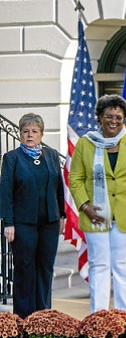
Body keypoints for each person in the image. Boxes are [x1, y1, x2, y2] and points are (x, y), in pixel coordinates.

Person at [69, 94, 126, 313]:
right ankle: (98, 317)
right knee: (99, 265)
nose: (113, 121)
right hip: (94, 213)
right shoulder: (85, 143)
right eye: (108, 116)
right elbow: (75, 178)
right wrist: (85, 206)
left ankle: (124, 318)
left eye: (118, 117)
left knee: (124, 267)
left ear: (124, 118)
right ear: (99, 117)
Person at [0, 114, 65, 318]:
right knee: (25, 269)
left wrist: (61, 215)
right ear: (20, 134)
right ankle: (24, 318)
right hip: (22, 224)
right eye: (25, 131)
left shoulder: (52, 155)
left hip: (50, 222)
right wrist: (8, 222)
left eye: (34, 131)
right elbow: (5, 192)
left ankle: (43, 316)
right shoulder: (12, 158)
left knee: (45, 269)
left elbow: (59, 188)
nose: (30, 135)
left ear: (41, 134)